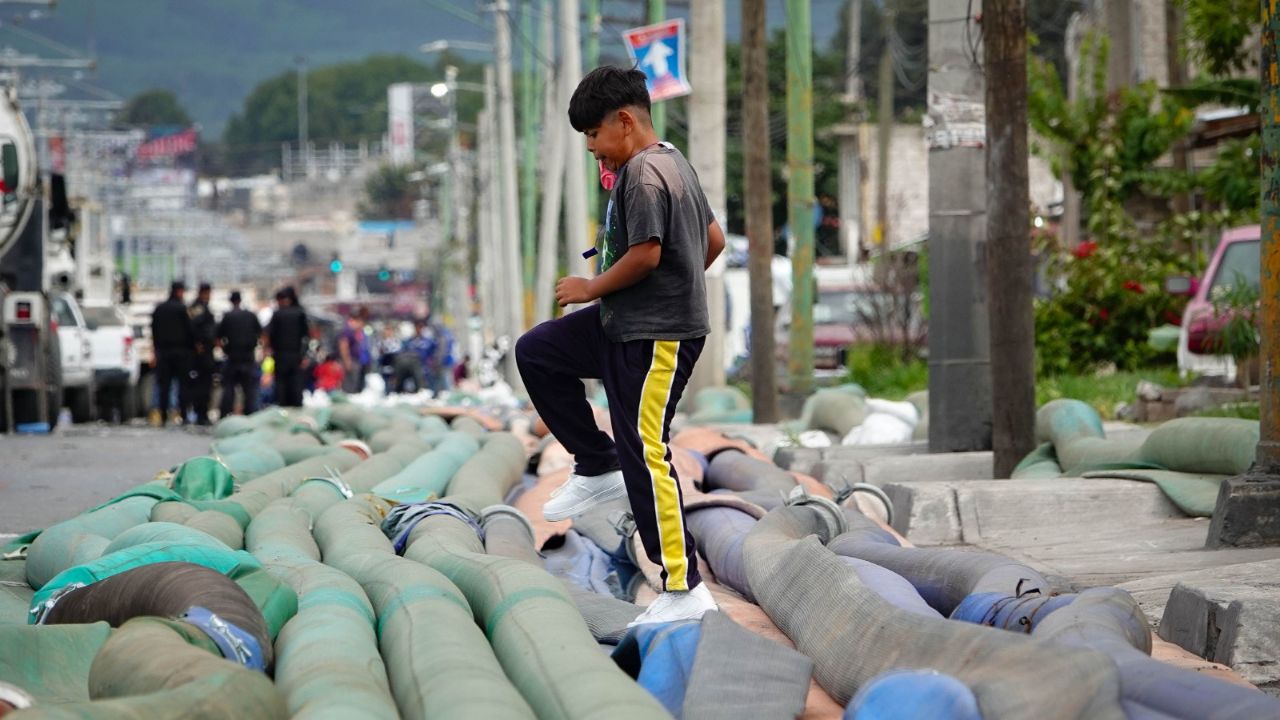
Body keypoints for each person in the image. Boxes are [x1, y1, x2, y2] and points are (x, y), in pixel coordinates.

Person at [514, 66, 725, 626]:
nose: (591, 149)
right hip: (624, 323)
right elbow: (714, 240)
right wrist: (675, 284)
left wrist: (590, 288)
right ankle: (594, 460)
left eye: (593, 135)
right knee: (538, 352)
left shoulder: (643, 173)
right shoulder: (675, 163)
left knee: (647, 451)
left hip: (658, 337)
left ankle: (683, 588)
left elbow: (647, 254)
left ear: (625, 122)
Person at [151, 280, 194, 426]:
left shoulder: (159, 309)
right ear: (179, 291)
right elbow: (190, 331)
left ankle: (163, 415)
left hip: (163, 353)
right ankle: (183, 415)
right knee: (183, 386)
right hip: (181, 353)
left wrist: (155, 352)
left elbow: (154, 332)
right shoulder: (182, 309)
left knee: (164, 386)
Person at [216, 290, 262, 417]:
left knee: (229, 388)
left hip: (232, 357)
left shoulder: (227, 316)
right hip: (248, 357)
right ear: (240, 300)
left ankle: (226, 414)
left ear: (231, 301)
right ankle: (250, 415)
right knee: (249, 390)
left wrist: (225, 350)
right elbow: (260, 334)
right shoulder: (250, 315)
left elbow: (218, 337)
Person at [265, 287, 309, 407]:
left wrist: (269, 351)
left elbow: (269, 334)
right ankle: (296, 407)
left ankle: (283, 408)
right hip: (296, 355)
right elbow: (305, 336)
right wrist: (305, 355)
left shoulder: (277, 314)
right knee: (295, 382)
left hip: (280, 355)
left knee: (281, 384)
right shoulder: (300, 313)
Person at [187, 282, 217, 425]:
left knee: (205, 384)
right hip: (202, 352)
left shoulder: (202, 307)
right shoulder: (198, 307)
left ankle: (202, 413)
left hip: (206, 350)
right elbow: (193, 327)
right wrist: (198, 344)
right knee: (202, 385)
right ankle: (201, 414)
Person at [337, 308, 370, 394]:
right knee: (349, 383)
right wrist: (347, 361)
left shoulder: (355, 332)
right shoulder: (347, 331)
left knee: (355, 383)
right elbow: (343, 346)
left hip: (356, 360)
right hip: (351, 360)